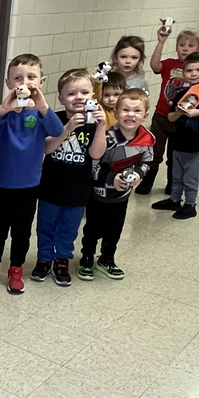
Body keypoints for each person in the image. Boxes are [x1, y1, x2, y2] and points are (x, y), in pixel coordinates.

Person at [0, 54, 65, 294]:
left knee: (21, 232)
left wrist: (42, 104)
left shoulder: (39, 113)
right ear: (8, 83)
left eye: (31, 77)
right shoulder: (4, 114)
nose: (24, 82)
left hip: (29, 184)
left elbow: (57, 131)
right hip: (0, 182)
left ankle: (16, 269)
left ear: (41, 81)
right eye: (17, 78)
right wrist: (4, 108)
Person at [33, 69, 107, 286]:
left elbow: (96, 154)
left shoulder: (94, 122)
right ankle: (44, 258)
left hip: (78, 189)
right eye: (71, 93)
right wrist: (66, 129)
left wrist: (102, 126)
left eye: (84, 92)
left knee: (68, 227)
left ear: (93, 96)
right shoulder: (53, 118)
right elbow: (47, 148)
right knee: (45, 225)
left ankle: (62, 259)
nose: (78, 97)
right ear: (61, 98)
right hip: (50, 186)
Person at [78, 89, 154, 281]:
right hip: (98, 194)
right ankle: (86, 258)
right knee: (93, 228)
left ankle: (107, 258)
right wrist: (112, 179)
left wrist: (138, 174)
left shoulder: (147, 140)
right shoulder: (107, 138)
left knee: (115, 229)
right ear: (116, 113)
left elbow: (147, 162)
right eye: (125, 110)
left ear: (145, 116)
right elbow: (94, 164)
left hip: (122, 197)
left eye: (137, 111)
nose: (130, 115)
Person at [151, 51, 199, 219]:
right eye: (190, 71)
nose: (194, 74)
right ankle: (175, 200)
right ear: (184, 73)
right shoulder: (181, 93)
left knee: (190, 177)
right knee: (177, 175)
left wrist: (197, 111)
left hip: (198, 143)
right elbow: (171, 116)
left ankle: (190, 204)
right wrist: (180, 113)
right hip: (179, 141)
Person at [137, 27, 199, 195]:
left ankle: (172, 183)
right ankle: (148, 181)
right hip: (161, 117)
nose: (185, 48)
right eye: (182, 44)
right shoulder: (169, 64)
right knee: (154, 151)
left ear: (197, 50)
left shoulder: (196, 72)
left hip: (182, 120)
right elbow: (155, 65)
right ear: (176, 46)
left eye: (190, 46)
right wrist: (161, 42)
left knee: (175, 155)